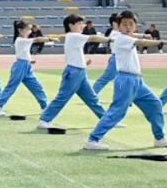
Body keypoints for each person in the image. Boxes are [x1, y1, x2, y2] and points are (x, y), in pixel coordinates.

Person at [85, 11, 167, 151]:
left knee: (155, 104)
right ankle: (93, 139)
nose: (128, 27)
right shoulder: (121, 38)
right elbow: (141, 42)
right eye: (124, 24)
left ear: (135, 25)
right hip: (126, 80)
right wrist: (162, 42)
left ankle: (159, 138)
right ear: (118, 26)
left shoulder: (128, 37)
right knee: (117, 111)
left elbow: (137, 41)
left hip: (137, 81)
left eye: (131, 24)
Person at [37, 14, 112, 129]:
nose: (82, 26)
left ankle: (106, 120)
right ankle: (44, 120)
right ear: (71, 25)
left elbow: (76, 53)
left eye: (82, 23)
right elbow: (93, 38)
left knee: (92, 99)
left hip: (80, 72)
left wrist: (84, 63)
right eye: (79, 24)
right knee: (62, 97)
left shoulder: (74, 37)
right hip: (74, 73)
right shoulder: (73, 36)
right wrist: (110, 39)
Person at [0, 20, 53, 117]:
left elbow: (25, 52)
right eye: (27, 29)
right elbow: (37, 39)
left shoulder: (24, 40)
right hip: (20, 67)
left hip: (27, 66)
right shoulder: (20, 40)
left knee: (37, 87)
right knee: (11, 87)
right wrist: (49, 39)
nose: (30, 31)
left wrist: (29, 60)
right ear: (20, 30)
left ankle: (44, 107)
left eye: (30, 29)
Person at [93, 13, 122, 95]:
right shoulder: (115, 33)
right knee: (105, 78)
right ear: (114, 23)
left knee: (121, 79)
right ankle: (92, 95)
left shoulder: (118, 33)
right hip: (116, 59)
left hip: (120, 59)